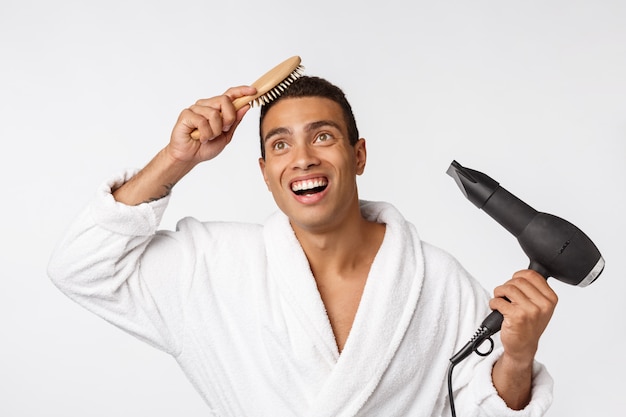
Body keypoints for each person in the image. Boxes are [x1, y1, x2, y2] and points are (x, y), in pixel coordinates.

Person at [48, 75, 557, 416]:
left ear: (358, 156)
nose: (303, 158)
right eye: (280, 145)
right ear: (266, 173)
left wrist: (517, 357)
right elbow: (81, 268)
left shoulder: (439, 283)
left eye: (323, 137)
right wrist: (176, 159)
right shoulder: (213, 267)